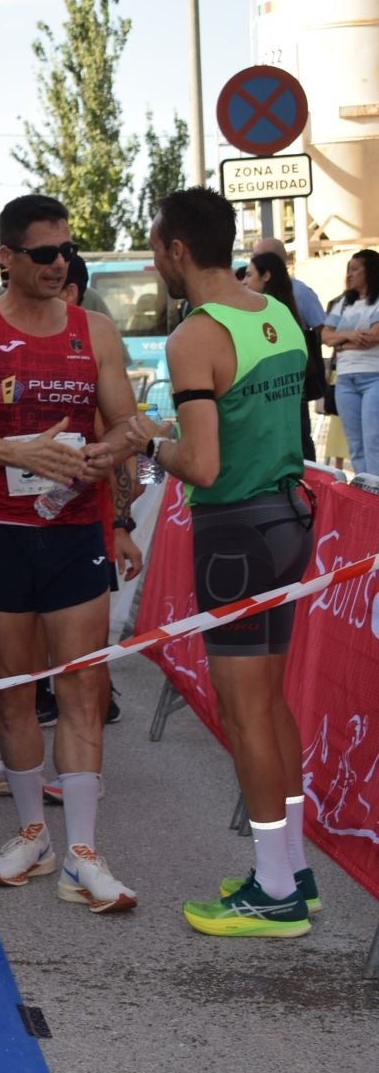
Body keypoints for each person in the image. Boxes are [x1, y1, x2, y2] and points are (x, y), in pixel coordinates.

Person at [0, 193, 141, 912]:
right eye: (43, 253)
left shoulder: (95, 330)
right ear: (7, 258)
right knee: (12, 690)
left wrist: (116, 475)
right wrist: (18, 452)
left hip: (75, 530)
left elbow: (124, 423)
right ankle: (30, 834)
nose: (60, 264)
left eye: (66, 251)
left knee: (82, 688)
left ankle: (82, 849)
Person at [125, 187, 315, 936]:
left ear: (177, 250)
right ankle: (291, 870)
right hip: (288, 517)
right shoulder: (276, 312)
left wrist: (147, 441)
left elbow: (200, 462)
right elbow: (247, 419)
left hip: (235, 530)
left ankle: (273, 887)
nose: (151, 260)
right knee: (270, 703)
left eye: (152, 247)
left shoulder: (195, 335)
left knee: (246, 712)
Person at [245, 251, 320, 460]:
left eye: (249, 275)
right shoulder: (288, 310)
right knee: (302, 450)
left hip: (277, 397)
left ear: (266, 276)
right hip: (293, 394)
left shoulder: (267, 311)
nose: (244, 282)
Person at [321, 248, 379, 475]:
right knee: (355, 444)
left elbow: (374, 337)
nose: (350, 275)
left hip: (373, 376)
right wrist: (351, 336)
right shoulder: (344, 302)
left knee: (373, 440)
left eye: (355, 269)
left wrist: (341, 343)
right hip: (345, 379)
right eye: (348, 270)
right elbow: (326, 335)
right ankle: (364, 491)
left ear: (370, 271)